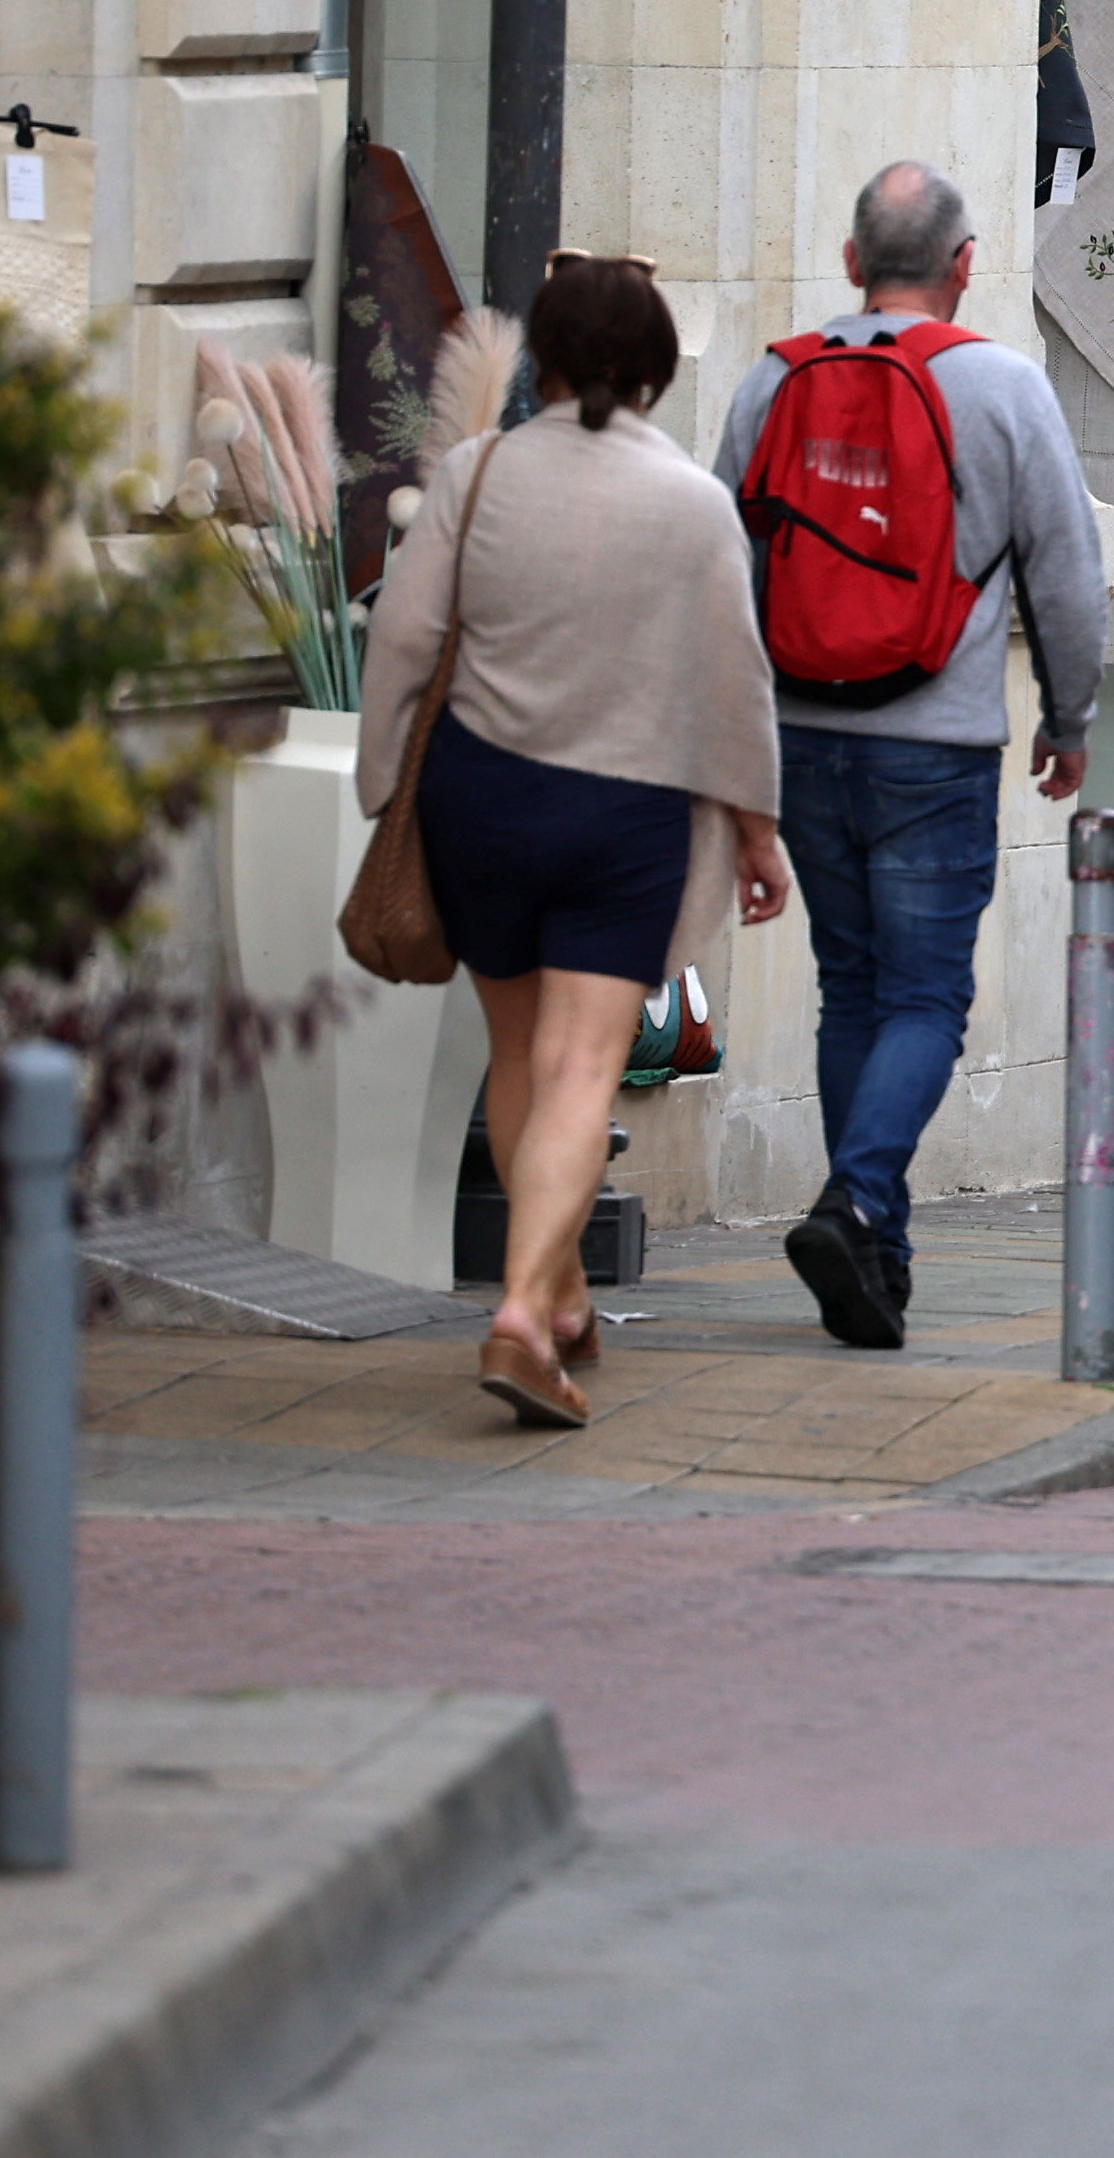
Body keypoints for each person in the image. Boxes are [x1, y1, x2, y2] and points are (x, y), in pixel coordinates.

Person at [355, 255, 791, 1431]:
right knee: (581, 1069)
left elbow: (404, 634)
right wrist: (758, 832)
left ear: (540, 360)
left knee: (515, 1056)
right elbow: (733, 684)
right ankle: (514, 1313)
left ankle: (558, 1290)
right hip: (624, 811)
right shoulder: (693, 501)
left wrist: (377, 776)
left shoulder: (476, 471)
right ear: (654, 369)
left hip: (480, 798)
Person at [712, 162, 1109, 1352]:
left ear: (848, 261)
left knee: (853, 985)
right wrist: (1070, 716)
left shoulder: (773, 380)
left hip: (800, 731)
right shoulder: (1001, 386)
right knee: (928, 995)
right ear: (965, 265)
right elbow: (1069, 572)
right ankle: (858, 1198)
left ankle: (876, 1257)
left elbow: (725, 559)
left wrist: (742, 741)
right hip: (932, 747)